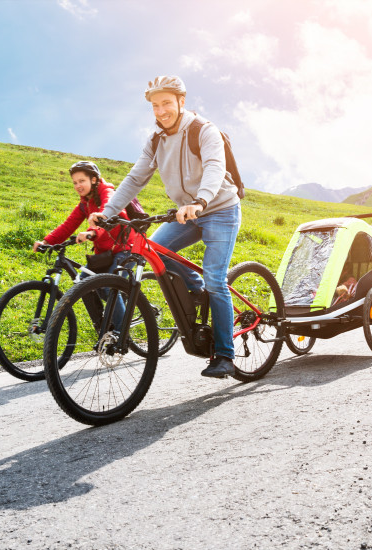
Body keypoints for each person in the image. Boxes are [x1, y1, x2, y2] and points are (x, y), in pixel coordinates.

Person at [89, 75, 242, 378]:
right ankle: (196, 290)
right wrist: (107, 212)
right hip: (186, 212)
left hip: (220, 209)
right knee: (158, 250)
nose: (161, 111)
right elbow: (135, 178)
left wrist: (200, 201)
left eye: (167, 103)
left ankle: (225, 355)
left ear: (181, 102)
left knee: (215, 278)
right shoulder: (156, 139)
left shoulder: (204, 130)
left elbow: (215, 166)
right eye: (156, 106)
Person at [33, 160, 133, 330]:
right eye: (74, 182)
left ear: (93, 180)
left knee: (109, 288)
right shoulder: (84, 203)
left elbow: (109, 216)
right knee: (83, 283)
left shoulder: (108, 194)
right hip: (104, 253)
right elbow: (68, 225)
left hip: (124, 249)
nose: (78, 186)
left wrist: (92, 233)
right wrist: (47, 241)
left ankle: (121, 334)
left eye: (81, 181)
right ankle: (105, 326)